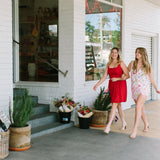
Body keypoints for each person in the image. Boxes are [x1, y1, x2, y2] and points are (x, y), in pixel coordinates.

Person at [93, 47, 130, 134]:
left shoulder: (121, 63)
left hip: (120, 85)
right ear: (111, 54)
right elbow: (104, 77)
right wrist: (97, 84)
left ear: (118, 54)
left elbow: (127, 75)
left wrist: (117, 78)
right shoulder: (108, 64)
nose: (114, 54)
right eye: (112, 52)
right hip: (112, 86)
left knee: (114, 104)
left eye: (116, 53)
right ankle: (124, 123)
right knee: (118, 105)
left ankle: (108, 126)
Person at [126, 47, 160, 139]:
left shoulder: (147, 65)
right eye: (136, 52)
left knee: (137, 107)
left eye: (139, 53)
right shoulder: (132, 63)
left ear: (143, 54)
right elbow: (126, 72)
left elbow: (151, 78)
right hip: (134, 89)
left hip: (144, 90)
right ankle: (146, 124)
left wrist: (156, 88)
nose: (137, 54)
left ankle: (134, 130)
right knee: (141, 109)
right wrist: (120, 77)